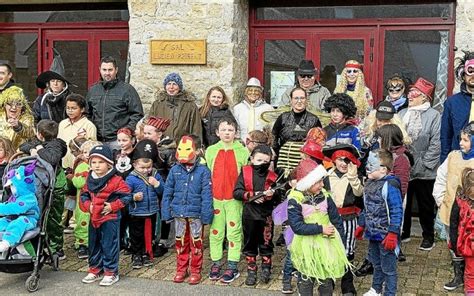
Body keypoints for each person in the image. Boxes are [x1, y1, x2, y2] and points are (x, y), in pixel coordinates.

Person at [287, 158, 350, 296]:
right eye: (318, 182)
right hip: (306, 245)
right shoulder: (295, 200)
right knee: (306, 278)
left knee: (326, 279)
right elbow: (297, 226)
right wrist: (321, 229)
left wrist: (341, 242)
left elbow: (336, 220)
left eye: (322, 181)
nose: (322, 184)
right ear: (308, 183)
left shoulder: (326, 197)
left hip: (327, 244)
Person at [162, 135, 213, 285]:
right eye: (180, 148)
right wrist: (166, 211)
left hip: (195, 214)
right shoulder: (174, 170)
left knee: (196, 242)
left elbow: (207, 194)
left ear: (197, 151)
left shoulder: (203, 171)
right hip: (179, 213)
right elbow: (167, 191)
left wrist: (206, 215)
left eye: (188, 149)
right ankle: (181, 269)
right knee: (180, 242)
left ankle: (195, 270)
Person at [79, 145, 132, 286]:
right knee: (94, 244)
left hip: (110, 218)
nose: (97, 166)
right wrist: (87, 205)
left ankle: (111, 272)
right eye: (93, 162)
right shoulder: (89, 179)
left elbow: (127, 196)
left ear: (109, 164)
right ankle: (95, 269)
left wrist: (113, 206)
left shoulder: (116, 180)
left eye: (101, 162)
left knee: (110, 245)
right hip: (94, 217)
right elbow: (83, 195)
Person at [205, 117, 249, 283]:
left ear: (235, 132)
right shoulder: (211, 151)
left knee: (234, 232)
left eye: (230, 130)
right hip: (216, 198)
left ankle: (232, 265)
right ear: (217, 132)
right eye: (223, 130)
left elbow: (246, 176)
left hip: (234, 200)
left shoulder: (242, 151)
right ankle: (216, 262)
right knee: (216, 232)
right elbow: (207, 173)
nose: (227, 133)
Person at [399, 77, 440, 250]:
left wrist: (423, 164)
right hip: (404, 167)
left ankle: (428, 237)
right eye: (410, 92)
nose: (410, 96)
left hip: (425, 169)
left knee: (425, 204)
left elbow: (436, 142)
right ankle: (405, 232)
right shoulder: (402, 114)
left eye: (415, 93)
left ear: (424, 97)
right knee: (404, 203)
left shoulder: (434, 116)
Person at [355, 149, 403, 296]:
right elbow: (366, 207)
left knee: (388, 268)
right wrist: (362, 224)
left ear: (383, 169)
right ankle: (376, 289)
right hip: (372, 233)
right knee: (376, 263)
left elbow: (397, 210)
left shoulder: (390, 186)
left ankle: (389, 292)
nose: (367, 167)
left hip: (386, 235)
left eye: (371, 164)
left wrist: (393, 233)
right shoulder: (370, 183)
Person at [433, 121, 474, 291]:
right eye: (461, 139)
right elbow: (441, 177)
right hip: (450, 209)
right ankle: (458, 275)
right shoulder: (453, 157)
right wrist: (440, 198)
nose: (461, 143)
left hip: (469, 215)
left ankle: (469, 274)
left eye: (466, 140)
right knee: (454, 242)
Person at [19, 119, 67, 259]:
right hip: (38, 184)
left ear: (40, 134)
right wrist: (32, 148)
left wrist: (38, 150)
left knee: (53, 217)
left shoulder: (58, 145)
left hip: (55, 184)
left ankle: (56, 248)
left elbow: (52, 159)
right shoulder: (37, 141)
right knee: (38, 214)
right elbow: (23, 146)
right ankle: (40, 245)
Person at [233, 145, 280, 286]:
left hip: (266, 217)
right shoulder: (245, 172)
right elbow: (236, 192)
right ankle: (251, 271)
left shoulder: (272, 176)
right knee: (250, 243)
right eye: (259, 160)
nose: (262, 164)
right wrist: (251, 195)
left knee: (266, 243)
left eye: (266, 161)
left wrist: (272, 195)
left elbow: (278, 197)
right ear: (252, 159)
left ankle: (266, 269)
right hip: (249, 215)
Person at [323, 144, 363, 295]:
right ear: (334, 160)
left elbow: (359, 194)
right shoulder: (326, 175)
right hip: (330, 219)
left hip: (348, 218)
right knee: (330, 250)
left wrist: (353, 177)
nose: (343, 163)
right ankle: (329, 281)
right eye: (340, 159)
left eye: (347, 160)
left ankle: (347, 285)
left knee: (348, 251)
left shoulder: (355, 177)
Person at [86, 56, 143, 150]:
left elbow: (137, 114)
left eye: (110, 70)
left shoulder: (127, 90)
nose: (107, 73)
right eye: (104, 70)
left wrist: (127, 131)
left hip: (118, 141)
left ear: (116, 70)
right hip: (97, 140)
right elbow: (87, 114)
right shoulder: (93, 90)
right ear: (100, 70)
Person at [126, 139, 164, 269]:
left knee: (150, 234)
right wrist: (133, 197)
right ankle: (136, 254)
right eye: (142, 167)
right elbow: (124, 195)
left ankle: (146, 253)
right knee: (136, 235)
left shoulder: (155, 175)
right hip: (136, 212)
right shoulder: (131, 178)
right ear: (135, 165)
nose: (146, 170)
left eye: (148, 167)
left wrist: (157, 184)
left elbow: (162, 191)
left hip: (152, 211)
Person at [273, 87, 321, 176]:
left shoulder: (314, 120)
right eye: (296, 98)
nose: (299, 101)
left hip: (305, 164)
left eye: (302, 98)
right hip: (284, 163)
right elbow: (274, 137)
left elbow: (319, 143)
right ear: (291, 100)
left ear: (306, 100)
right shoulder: (283, 118)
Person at [440, 50, 474, 163]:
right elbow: (446, 137)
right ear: (463, 75)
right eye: (470, 71)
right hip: (459, 159)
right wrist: (445, 164)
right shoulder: (452, 103)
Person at [149, 72, 202, 142]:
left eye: (174, 84)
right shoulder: (157, 104)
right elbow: (150, 126)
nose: (171, 87)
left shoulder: (190, 106)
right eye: (168, 84)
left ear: (179, 87)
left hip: (183, 146)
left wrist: (196, 146)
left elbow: (196, 129)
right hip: (161, 145)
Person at [71, 139, 101, 259]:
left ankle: (95, 242)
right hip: (83, 201)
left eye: (90, 152)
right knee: (82, 222)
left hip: (97, 200)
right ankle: (82, 243)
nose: (87, 154)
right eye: (85, 152)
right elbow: (77, 182)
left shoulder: (100, 165)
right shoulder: (82, 166)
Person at [0, 162, 39, 252]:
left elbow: (16, 208)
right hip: (11, 218)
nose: (11, 188)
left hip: (28, 219)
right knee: (2, 222)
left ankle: (6, 242)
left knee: (18, 224)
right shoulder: (14, 197)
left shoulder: (29, 197)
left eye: (13, 185)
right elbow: (7, 204)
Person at [448, 168, 474, 295]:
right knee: (470, 270)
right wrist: (454, 243)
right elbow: (453, 223)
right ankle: (470, 291)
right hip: (468, 244)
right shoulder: (460, 202)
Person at [57, 93, 97, 170]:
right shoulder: (62, 124)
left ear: (82, 109)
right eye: (68, 108)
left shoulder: (89, 126)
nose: (70, 111)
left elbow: (91, 149)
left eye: (73, 108)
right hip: (64, 165)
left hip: (81, 167)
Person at [0, 86, 34, 150]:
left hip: (18, 157)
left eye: (18, 104)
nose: (14, 108)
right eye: (10, 104)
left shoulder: (27, 118)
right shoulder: (1, 116)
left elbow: (30, 134)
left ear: (22, 106)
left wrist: (18, 126)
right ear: (4, 105)